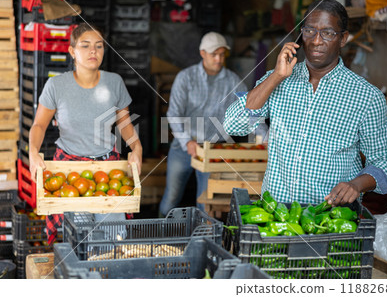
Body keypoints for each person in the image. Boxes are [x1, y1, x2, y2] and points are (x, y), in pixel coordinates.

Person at [223, 0, 387, 206]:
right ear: (300, 35)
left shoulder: (367, 97)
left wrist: (356, 184)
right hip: (277, 215)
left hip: (330, 218)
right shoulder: (277, 80)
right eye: (309, 31)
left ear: (343, 39)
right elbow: (233, 125)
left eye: (328, 33)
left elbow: (384, 162)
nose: (316, 41)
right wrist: (276, 77)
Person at [29, 23, 143, 243]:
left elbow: (125, 125)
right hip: (69, 169)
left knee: (113, 241)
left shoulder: (114, 83)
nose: (93, 51)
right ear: (72, 51)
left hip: (108, 169)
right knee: (77, 241)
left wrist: (137, 148)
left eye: (99, 46)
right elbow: (39, 126)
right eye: (85, 45)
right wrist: (33, 152)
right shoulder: (56, 86)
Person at [159, 32, 267, 217]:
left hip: (215, 150)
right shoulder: (186, 78)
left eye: (222, 54)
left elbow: (248, 110)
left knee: (206, 202)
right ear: (202, 53)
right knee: (171, 197)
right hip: (184, 147)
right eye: (213, 54)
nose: (218, 59)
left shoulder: (232, 81)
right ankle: (160, 234)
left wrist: (264, 136)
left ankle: (203, 241)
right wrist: (187, 142)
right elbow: (173, 114)